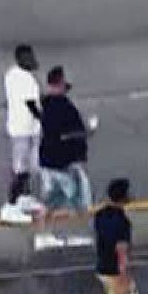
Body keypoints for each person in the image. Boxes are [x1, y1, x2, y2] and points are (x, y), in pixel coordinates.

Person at [33, 66, 96, 252]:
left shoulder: (45, 104)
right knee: (79, 198)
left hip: (48, 160)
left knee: (53, 199)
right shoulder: (63, 107)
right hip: (62, 162)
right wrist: (88, 132)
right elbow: (69, 134)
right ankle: (81, 234)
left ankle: (42, 235)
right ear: (60, 83)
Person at [1, 43, 44, 221]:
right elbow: (32, 106)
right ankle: (10, 206)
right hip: (23, 129)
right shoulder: (24, 79)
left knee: (28, 167)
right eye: (29, 57)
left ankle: (23, 197)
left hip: (26, 128)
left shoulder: (12, 74)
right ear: (20, 59)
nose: (33, 60)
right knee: (21, 170)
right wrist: (48, 120)